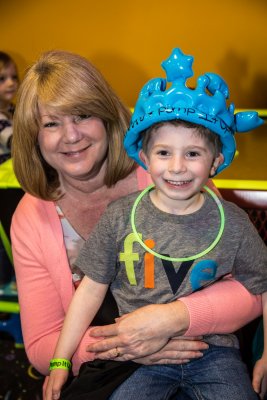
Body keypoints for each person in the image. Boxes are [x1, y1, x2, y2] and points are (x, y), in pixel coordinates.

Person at [10, 50, 262, 399]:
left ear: (108, 118)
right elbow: (41, 344)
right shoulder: (32, 217)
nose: (70, 136)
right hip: (104, 365)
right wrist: (125, 347)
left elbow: (251, 290)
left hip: (202, 346)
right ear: (33, 137)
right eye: (51, 123)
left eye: (82, 116)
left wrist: (172, 320)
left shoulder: (175, 176)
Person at [0, 51, 19, 285]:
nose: (11, 83)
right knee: (5, 241)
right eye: (2, 78)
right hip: (5, 184)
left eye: (14, 77)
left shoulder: (13, 109)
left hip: (15, 181)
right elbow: (16, 142)